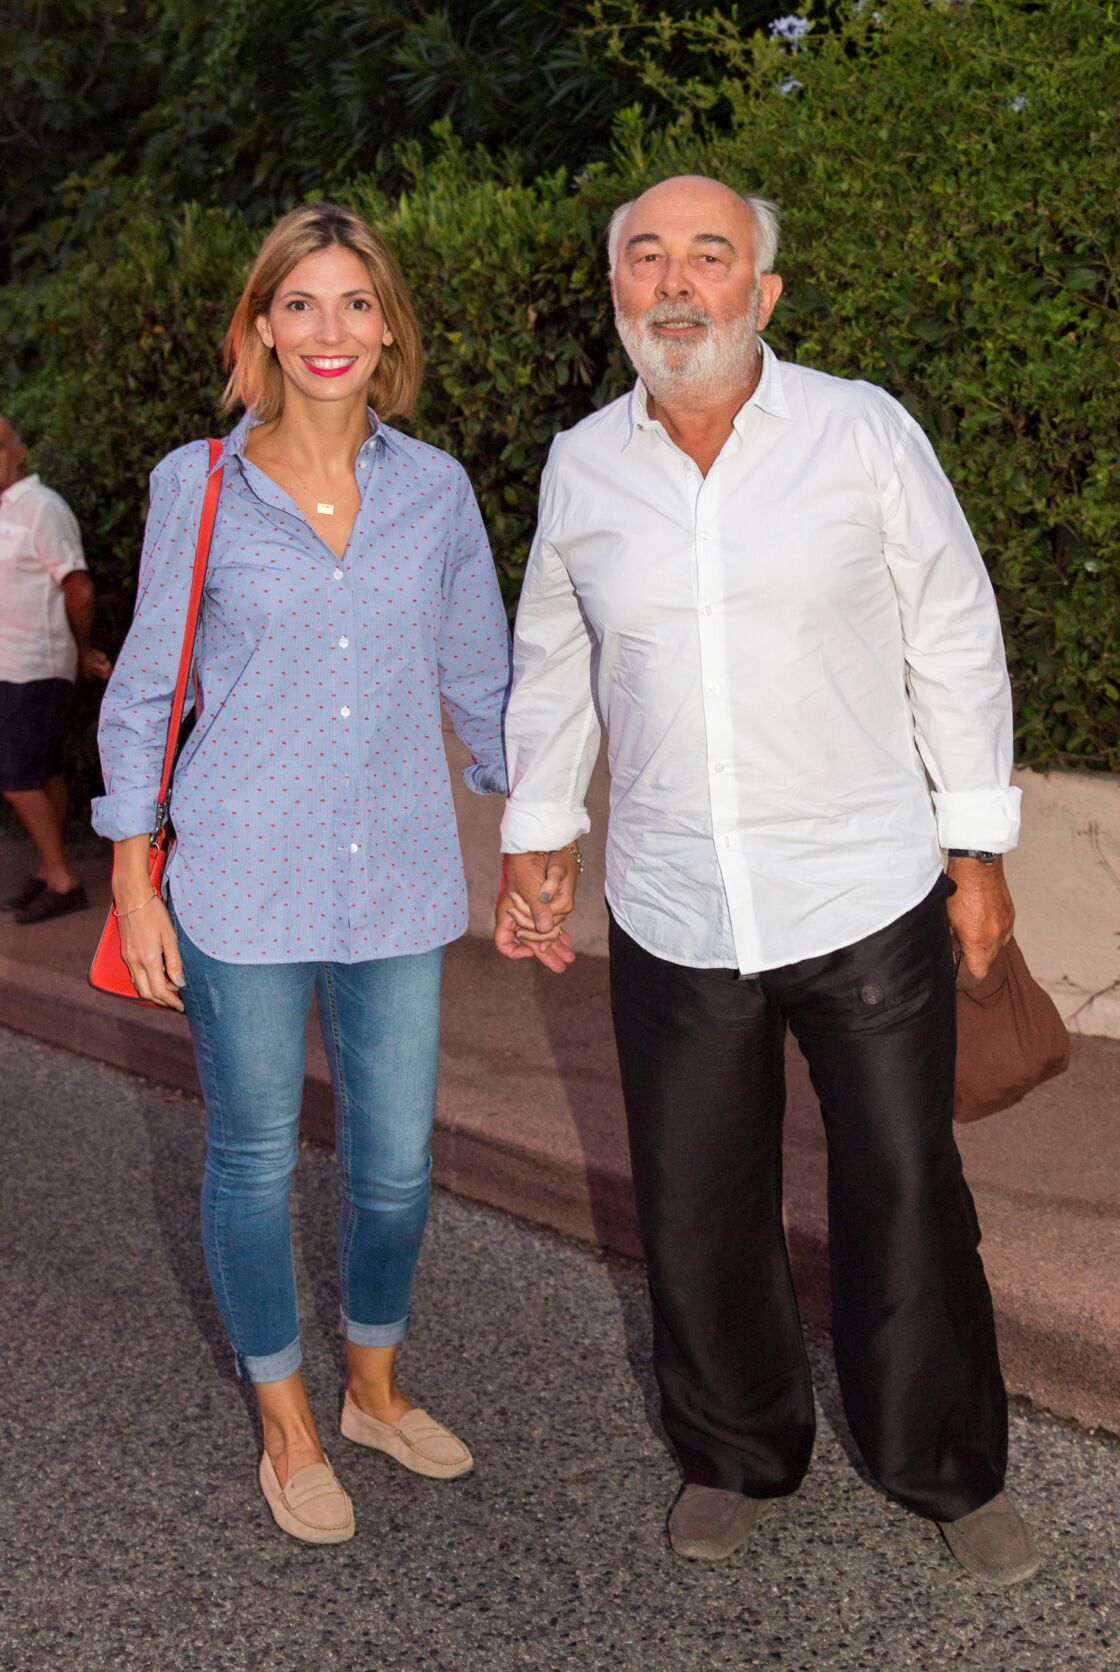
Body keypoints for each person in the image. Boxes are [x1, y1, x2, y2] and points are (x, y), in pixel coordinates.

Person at [495, 176, 1039, 1585]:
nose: (677, 285)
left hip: (862, 890)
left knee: (907, 1188)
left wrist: (976, 847)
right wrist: (539, 835)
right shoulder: (582, 465)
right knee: (694, 1199)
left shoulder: (861, 431)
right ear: (616, 290)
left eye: (710, 257)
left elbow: (953, 629)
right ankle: (735, 1450)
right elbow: (555, 656)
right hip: (676, 905)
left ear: (766, 292)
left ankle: (946, 1469)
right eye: (647, 258)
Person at [94, 202, 511, 1545]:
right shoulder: (196, 484)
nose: (326, 331)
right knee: (255, 1151)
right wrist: (132, 872)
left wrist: (541, 830)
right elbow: (149, 681)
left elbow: (482, 679)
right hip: (238, 880)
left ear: (386, 326)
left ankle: (375, 1391)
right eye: (299, 304)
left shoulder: (436, 490)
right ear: (259, 327)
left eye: (352, 303)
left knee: (394, 1164)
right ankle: (287, 1422)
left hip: (396, 877)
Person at [0, 417, 111, 922]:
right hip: (10, 667)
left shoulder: (41, 508)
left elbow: (78, 586)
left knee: (15, 775)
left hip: (36, 665)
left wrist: (80, 651)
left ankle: (64, 878)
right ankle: (50, 872)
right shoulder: (4, 513)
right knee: (41, 771)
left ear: (19, 451)